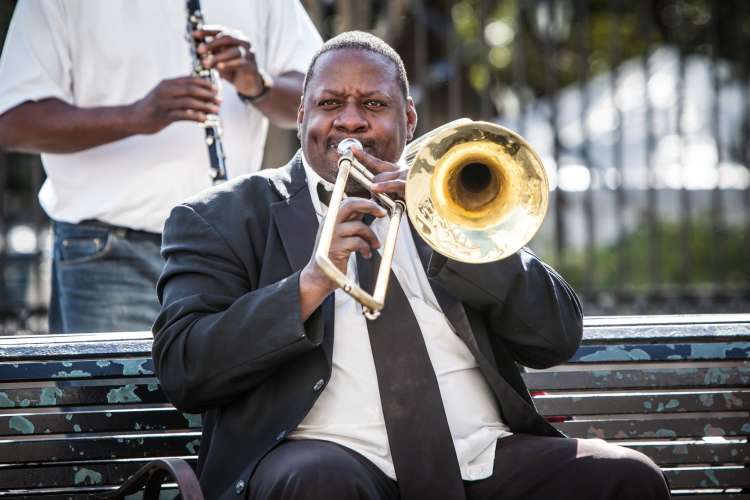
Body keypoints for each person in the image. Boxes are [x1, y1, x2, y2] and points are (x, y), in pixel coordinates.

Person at [152, 31, 671, 500]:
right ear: (303, 114)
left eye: (373, 104)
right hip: (326, 457)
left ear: (409, 119)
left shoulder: (449, 204)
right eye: (330, 103)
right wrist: (311, 282)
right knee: (318, 483)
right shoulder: (219, 217)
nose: (350, 120)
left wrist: (452, 234)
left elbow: (555, 337)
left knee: (626, 477)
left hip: (480, 458)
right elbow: (184, 368)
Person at [0, 1, 322, 333]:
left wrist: (259, 85)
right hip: (111, 253)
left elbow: (318, 97)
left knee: (232, 383)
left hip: (231, 245)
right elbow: (13, 121)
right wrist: (135, 117)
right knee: (117, 386)